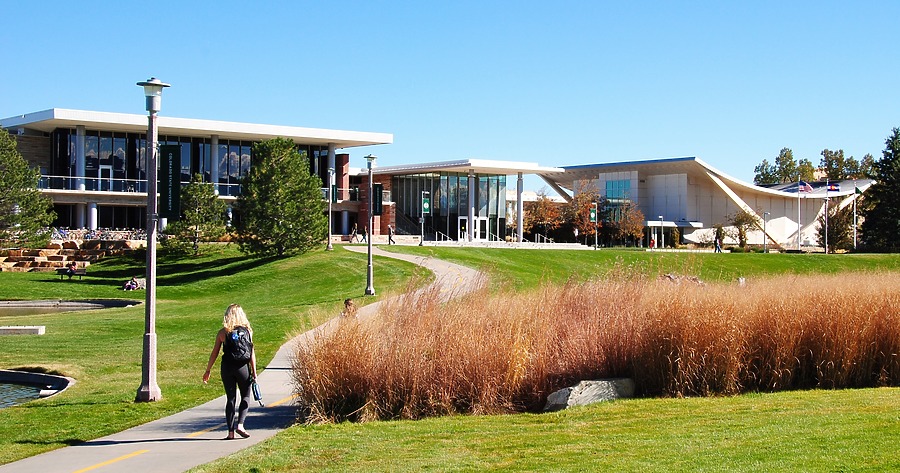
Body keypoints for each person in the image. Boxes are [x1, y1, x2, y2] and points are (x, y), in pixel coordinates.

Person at [203, 304, 258, 440]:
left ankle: (230, 432)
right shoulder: (248, 331)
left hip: (227, 367)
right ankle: (240, 425)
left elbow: (214, 353)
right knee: (245, 395)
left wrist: (208, 370)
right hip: (242, 368)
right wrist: (254, 373)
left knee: (230, 398)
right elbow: (251, 353)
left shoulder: (223, 332)